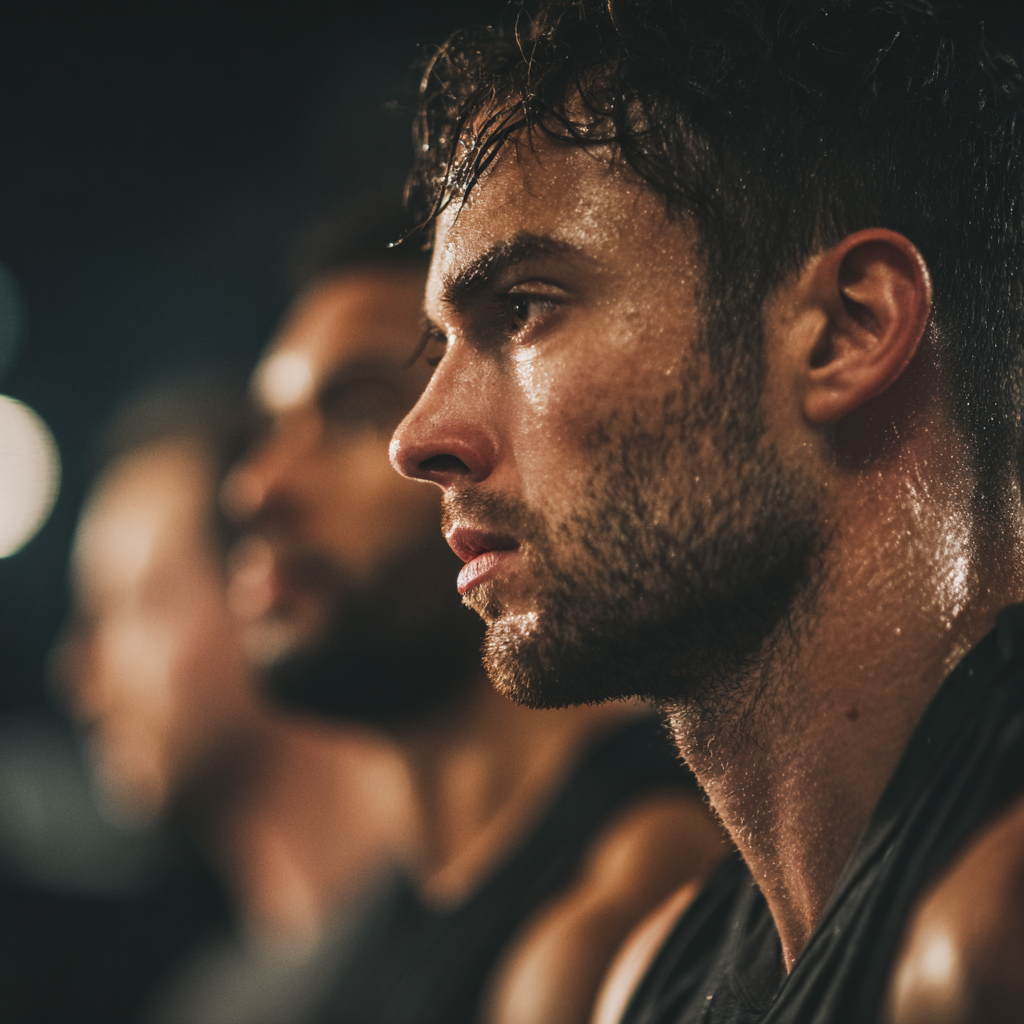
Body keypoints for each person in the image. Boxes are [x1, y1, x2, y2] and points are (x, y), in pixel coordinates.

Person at [387, 2, 1024, 1022]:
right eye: (441, 348)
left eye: (523, 308)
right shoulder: (646, 976)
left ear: (846, 330)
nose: (418, 437)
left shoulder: (993, 930)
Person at [221, 205, 726, 1024]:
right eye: (269, 429)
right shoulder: (385, 930)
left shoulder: (637, 884)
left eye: (353, 413)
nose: (255, 488)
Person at [59, 383, 413, 1024]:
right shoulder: (206, 1007)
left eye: (128, 606)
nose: (78, 675)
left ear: (268, 585)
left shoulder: (498, 903)